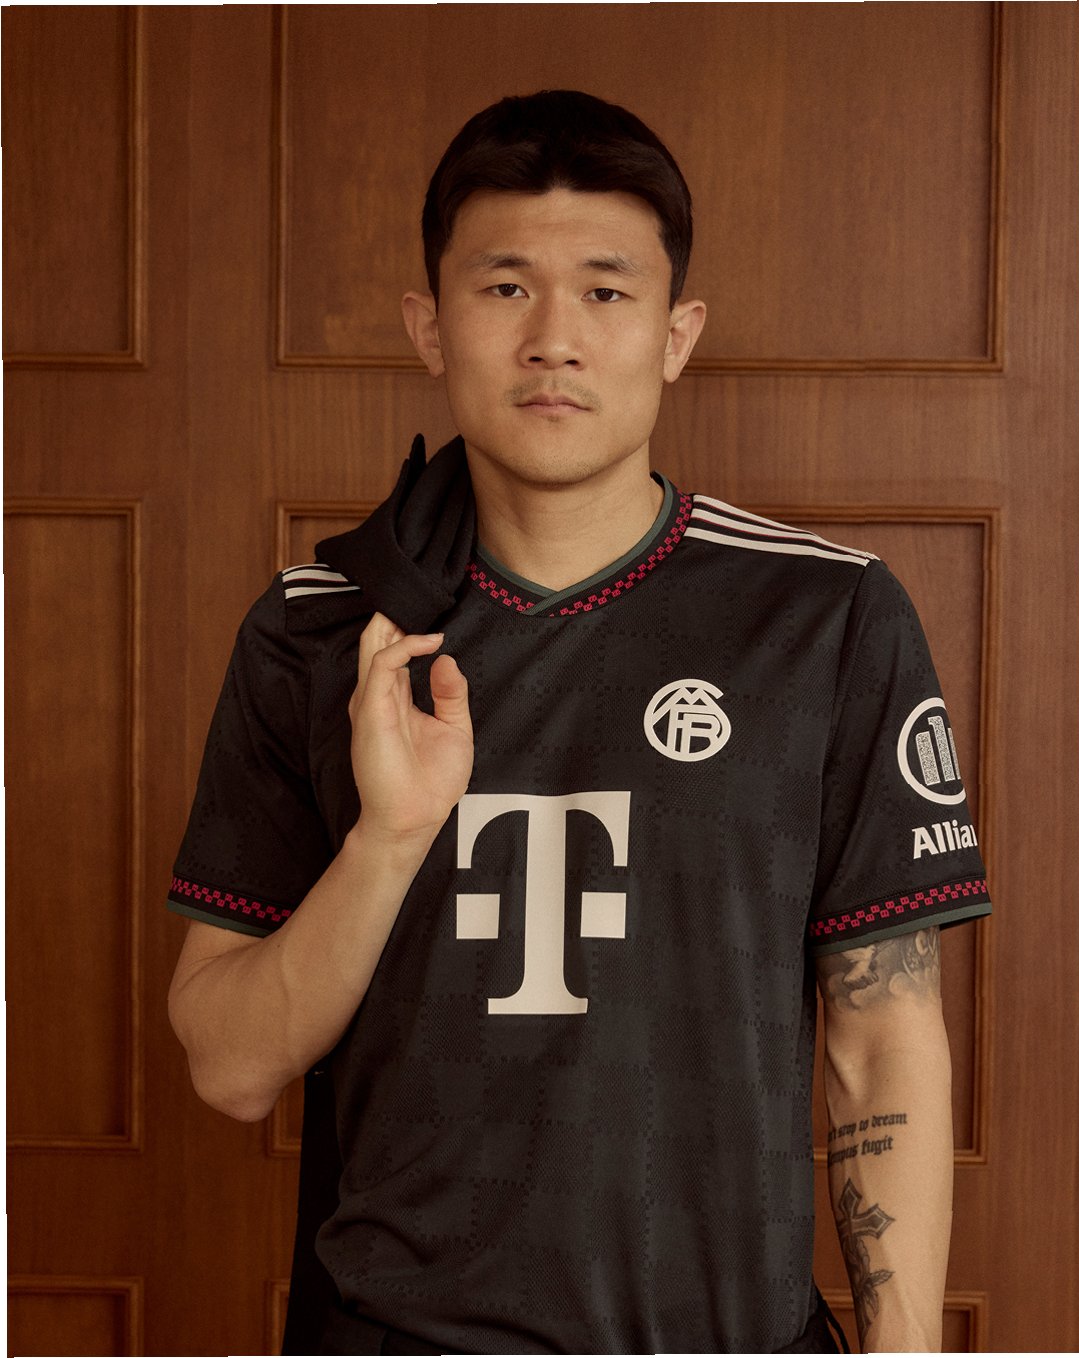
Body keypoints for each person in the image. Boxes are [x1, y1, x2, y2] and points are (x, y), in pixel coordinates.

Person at [166, 90, 992, 1354]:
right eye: (505, 287)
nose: (553, 338)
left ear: (675, 333)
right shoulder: (319, 628)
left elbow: (882, 1040)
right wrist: (388, 839)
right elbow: (227, 1068)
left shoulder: (825, 616)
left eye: (606, 291)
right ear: (428, 325)